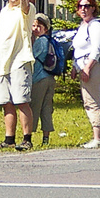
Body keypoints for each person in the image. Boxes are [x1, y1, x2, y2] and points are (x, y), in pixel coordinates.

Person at [0, 0, 36, 150]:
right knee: (6, 102)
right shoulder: (4, 11)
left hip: (19, 61)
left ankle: (27, 139)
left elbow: (25, 7)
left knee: (21, 101)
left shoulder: (27, 9)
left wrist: (24, 0)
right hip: (2, 64)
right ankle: (9, 139)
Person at [71, 0, 100, 149]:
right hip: (83, 66)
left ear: (93, 8)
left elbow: (97, 49)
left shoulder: (96, 26)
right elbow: (78, 48)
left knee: (92, 101)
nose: (83, 9)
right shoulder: (83, 26)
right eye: (80, 6)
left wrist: (87, 68)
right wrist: (74, 66)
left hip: (93, 67)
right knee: (88, 101)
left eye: (87, 6)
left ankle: (98, 138)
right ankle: (97, 136)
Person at [31, 14, 57, 146]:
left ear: (45, 28)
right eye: (33, 26)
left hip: (39, 78)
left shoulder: (41, 41)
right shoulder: (50, 40)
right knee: (47, 108)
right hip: (50, 77)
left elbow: (33, 57)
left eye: (38, 26)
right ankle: (46, 138)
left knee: (34, 107)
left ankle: (28, 136)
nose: (35, 29)